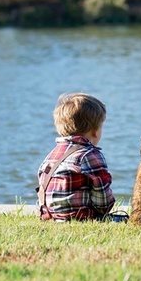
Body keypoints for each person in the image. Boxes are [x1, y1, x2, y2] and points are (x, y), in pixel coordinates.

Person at [37, 92, 120, 221]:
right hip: (81, 217)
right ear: (95, 131)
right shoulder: (90, 154)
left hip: (51, 217)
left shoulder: (52, 155)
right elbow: (103, 202)